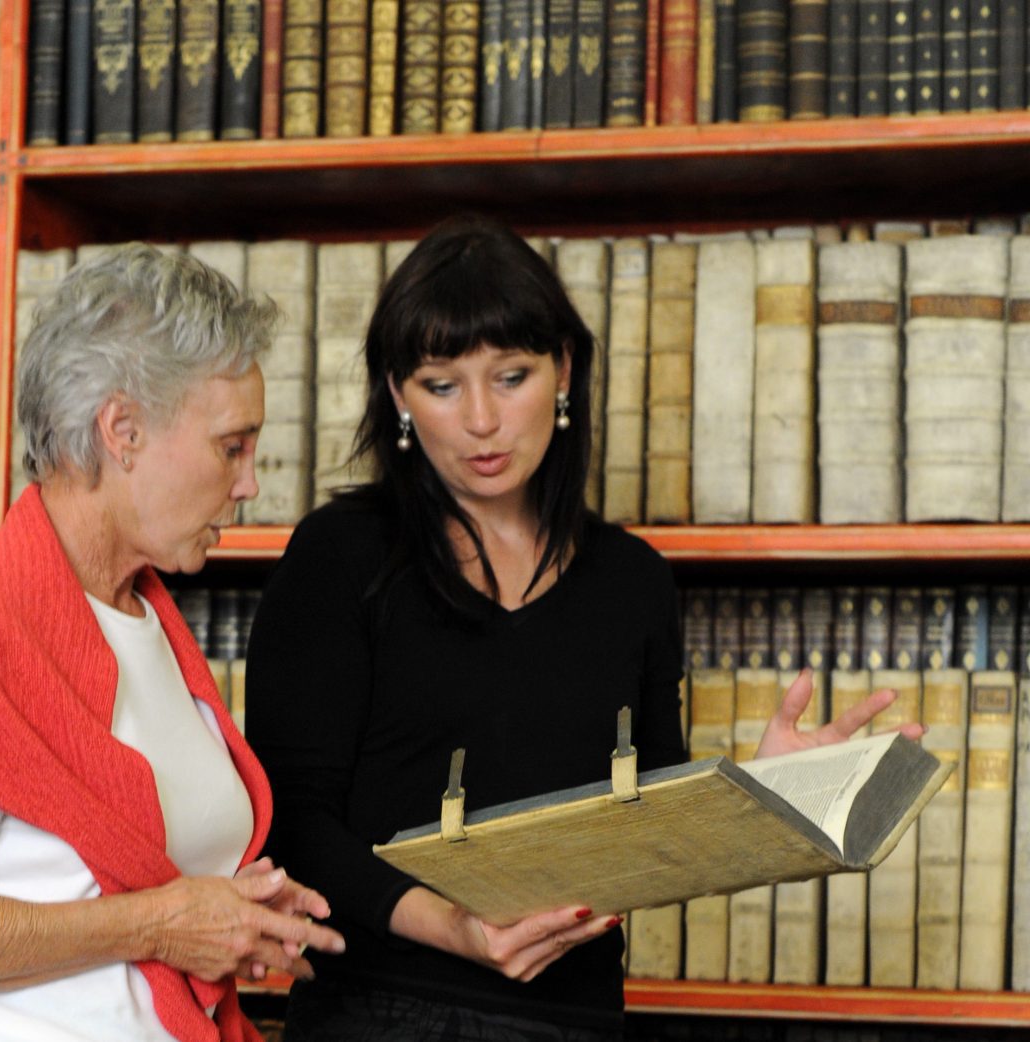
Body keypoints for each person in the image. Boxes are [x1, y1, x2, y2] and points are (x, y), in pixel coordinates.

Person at [245, 216, 919, 1042]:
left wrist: (757, 795)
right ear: (397, 395)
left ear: (564, 370)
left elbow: (641, 829)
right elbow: (291, 823)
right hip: (377, 1012)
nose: (482, 421)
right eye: (441, 384)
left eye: (512, 375)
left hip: (579, 1019)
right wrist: (461, 930)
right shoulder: (340, 555)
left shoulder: (633, 580)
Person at [0, 243, 344, 1042]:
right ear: (122, 431)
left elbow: (117, 876)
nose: (249, 483)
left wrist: (229, 916)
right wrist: (162, 924)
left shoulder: (145, 614)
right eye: (231, 445)